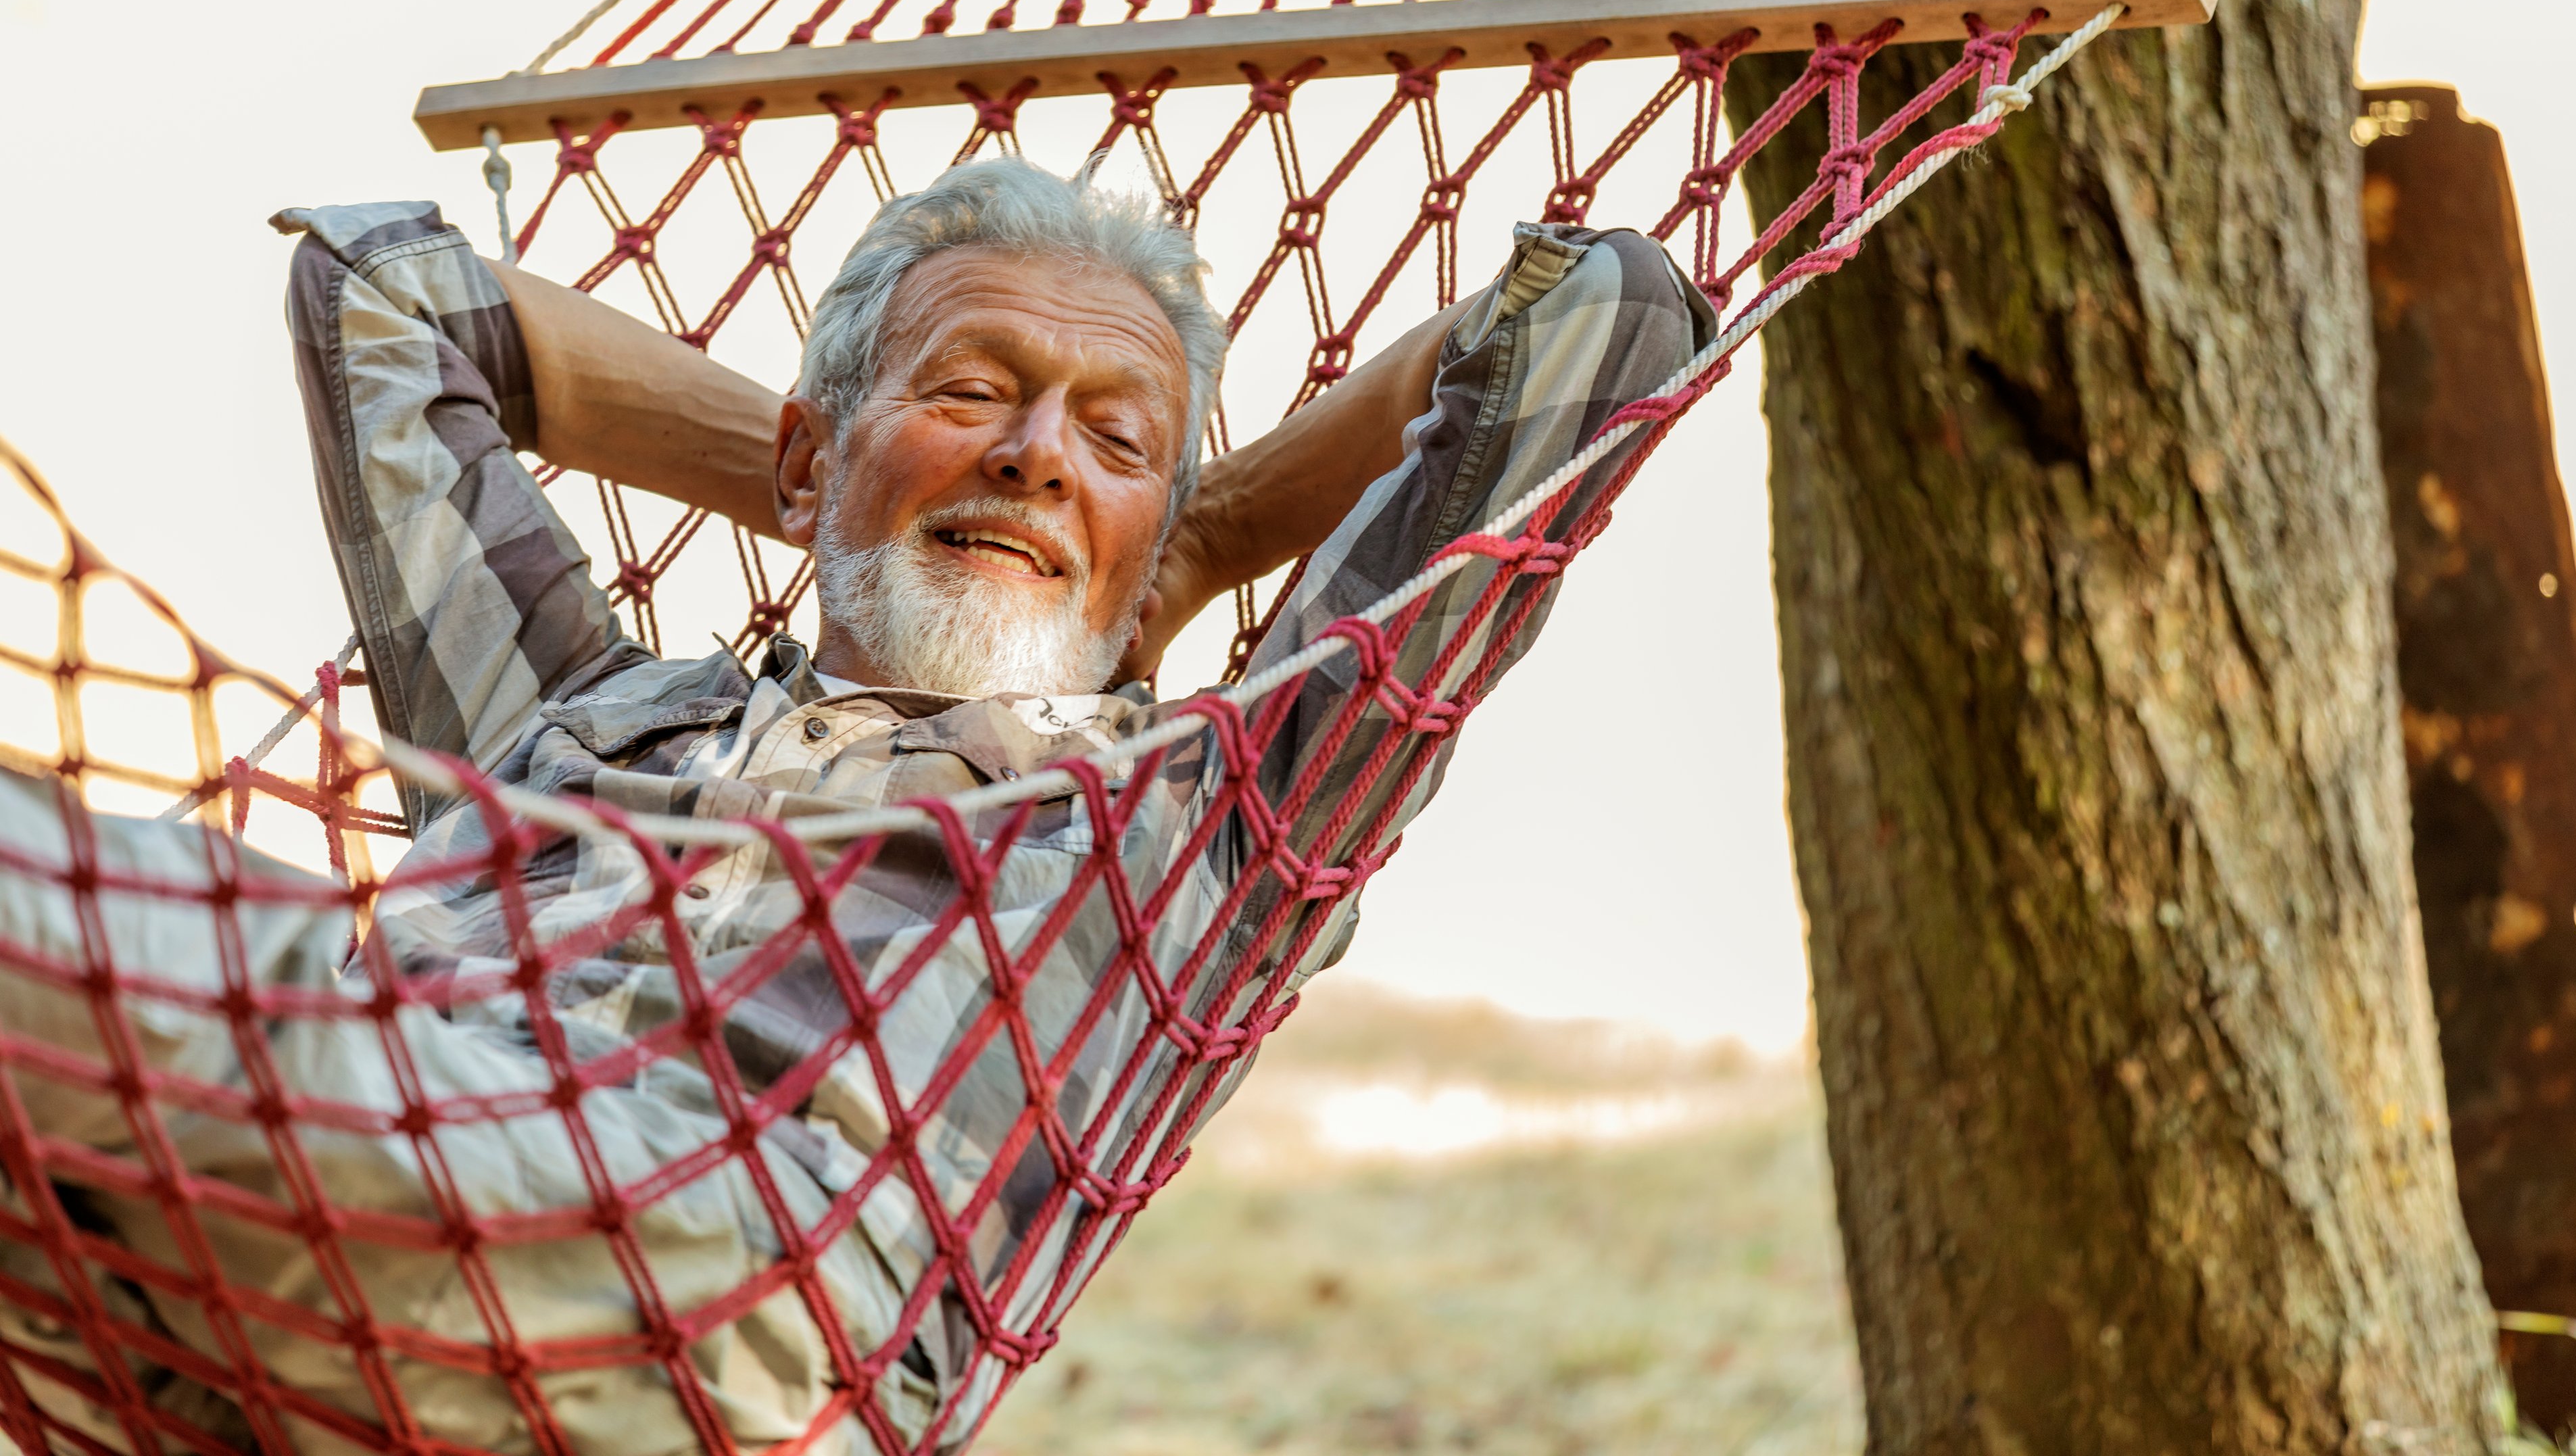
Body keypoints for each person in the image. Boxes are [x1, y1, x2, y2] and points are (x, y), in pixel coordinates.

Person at [0, 158, 1713, 1455]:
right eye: (974, 388)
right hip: (273, 1265)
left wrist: (1192, 537)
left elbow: (1606, 318)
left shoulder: (1198, 827)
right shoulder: (573, 706)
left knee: (141, 939)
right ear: (812, 458)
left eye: (1112, 436)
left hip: (704, 1316)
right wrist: (858, 478)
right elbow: (382, 295)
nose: (1039, 451)